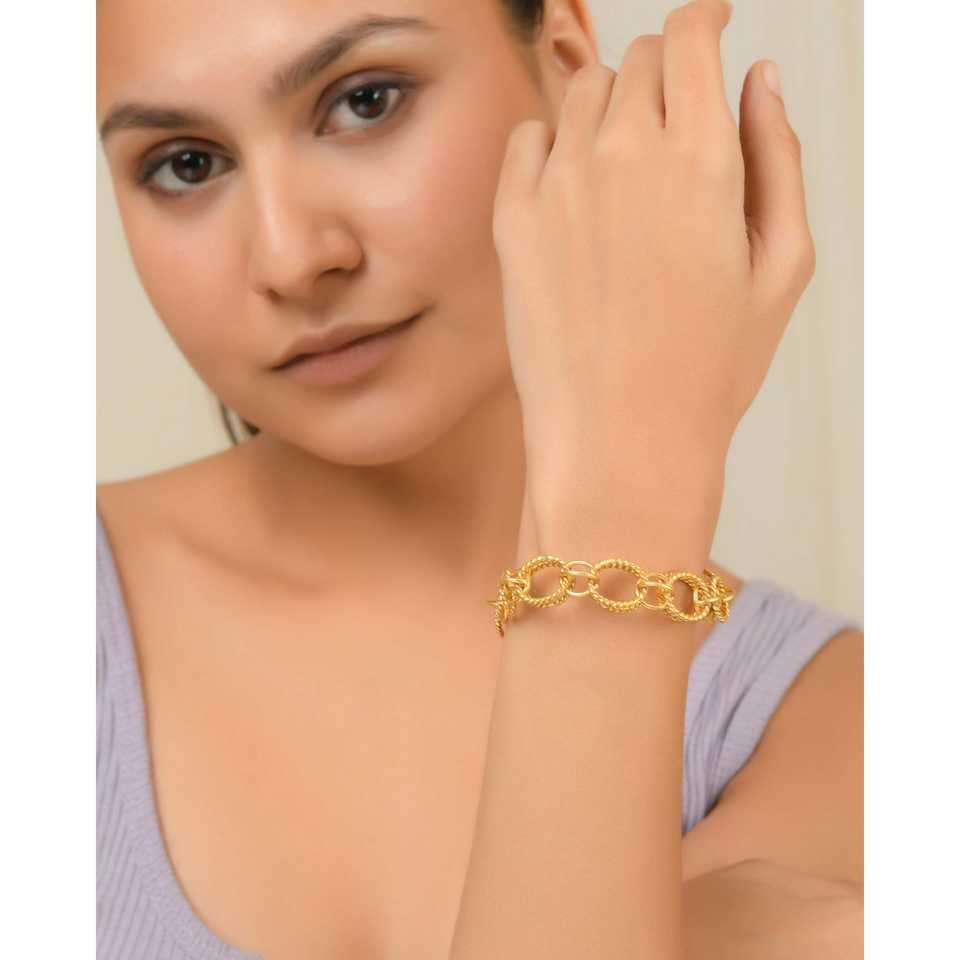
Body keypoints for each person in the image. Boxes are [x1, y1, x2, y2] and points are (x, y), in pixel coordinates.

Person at [96, 0, 864, 957]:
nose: (292, 259)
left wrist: (620, 499)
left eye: (365, 101)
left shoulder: (838, 724)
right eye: (186, 164)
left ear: (568, 58)